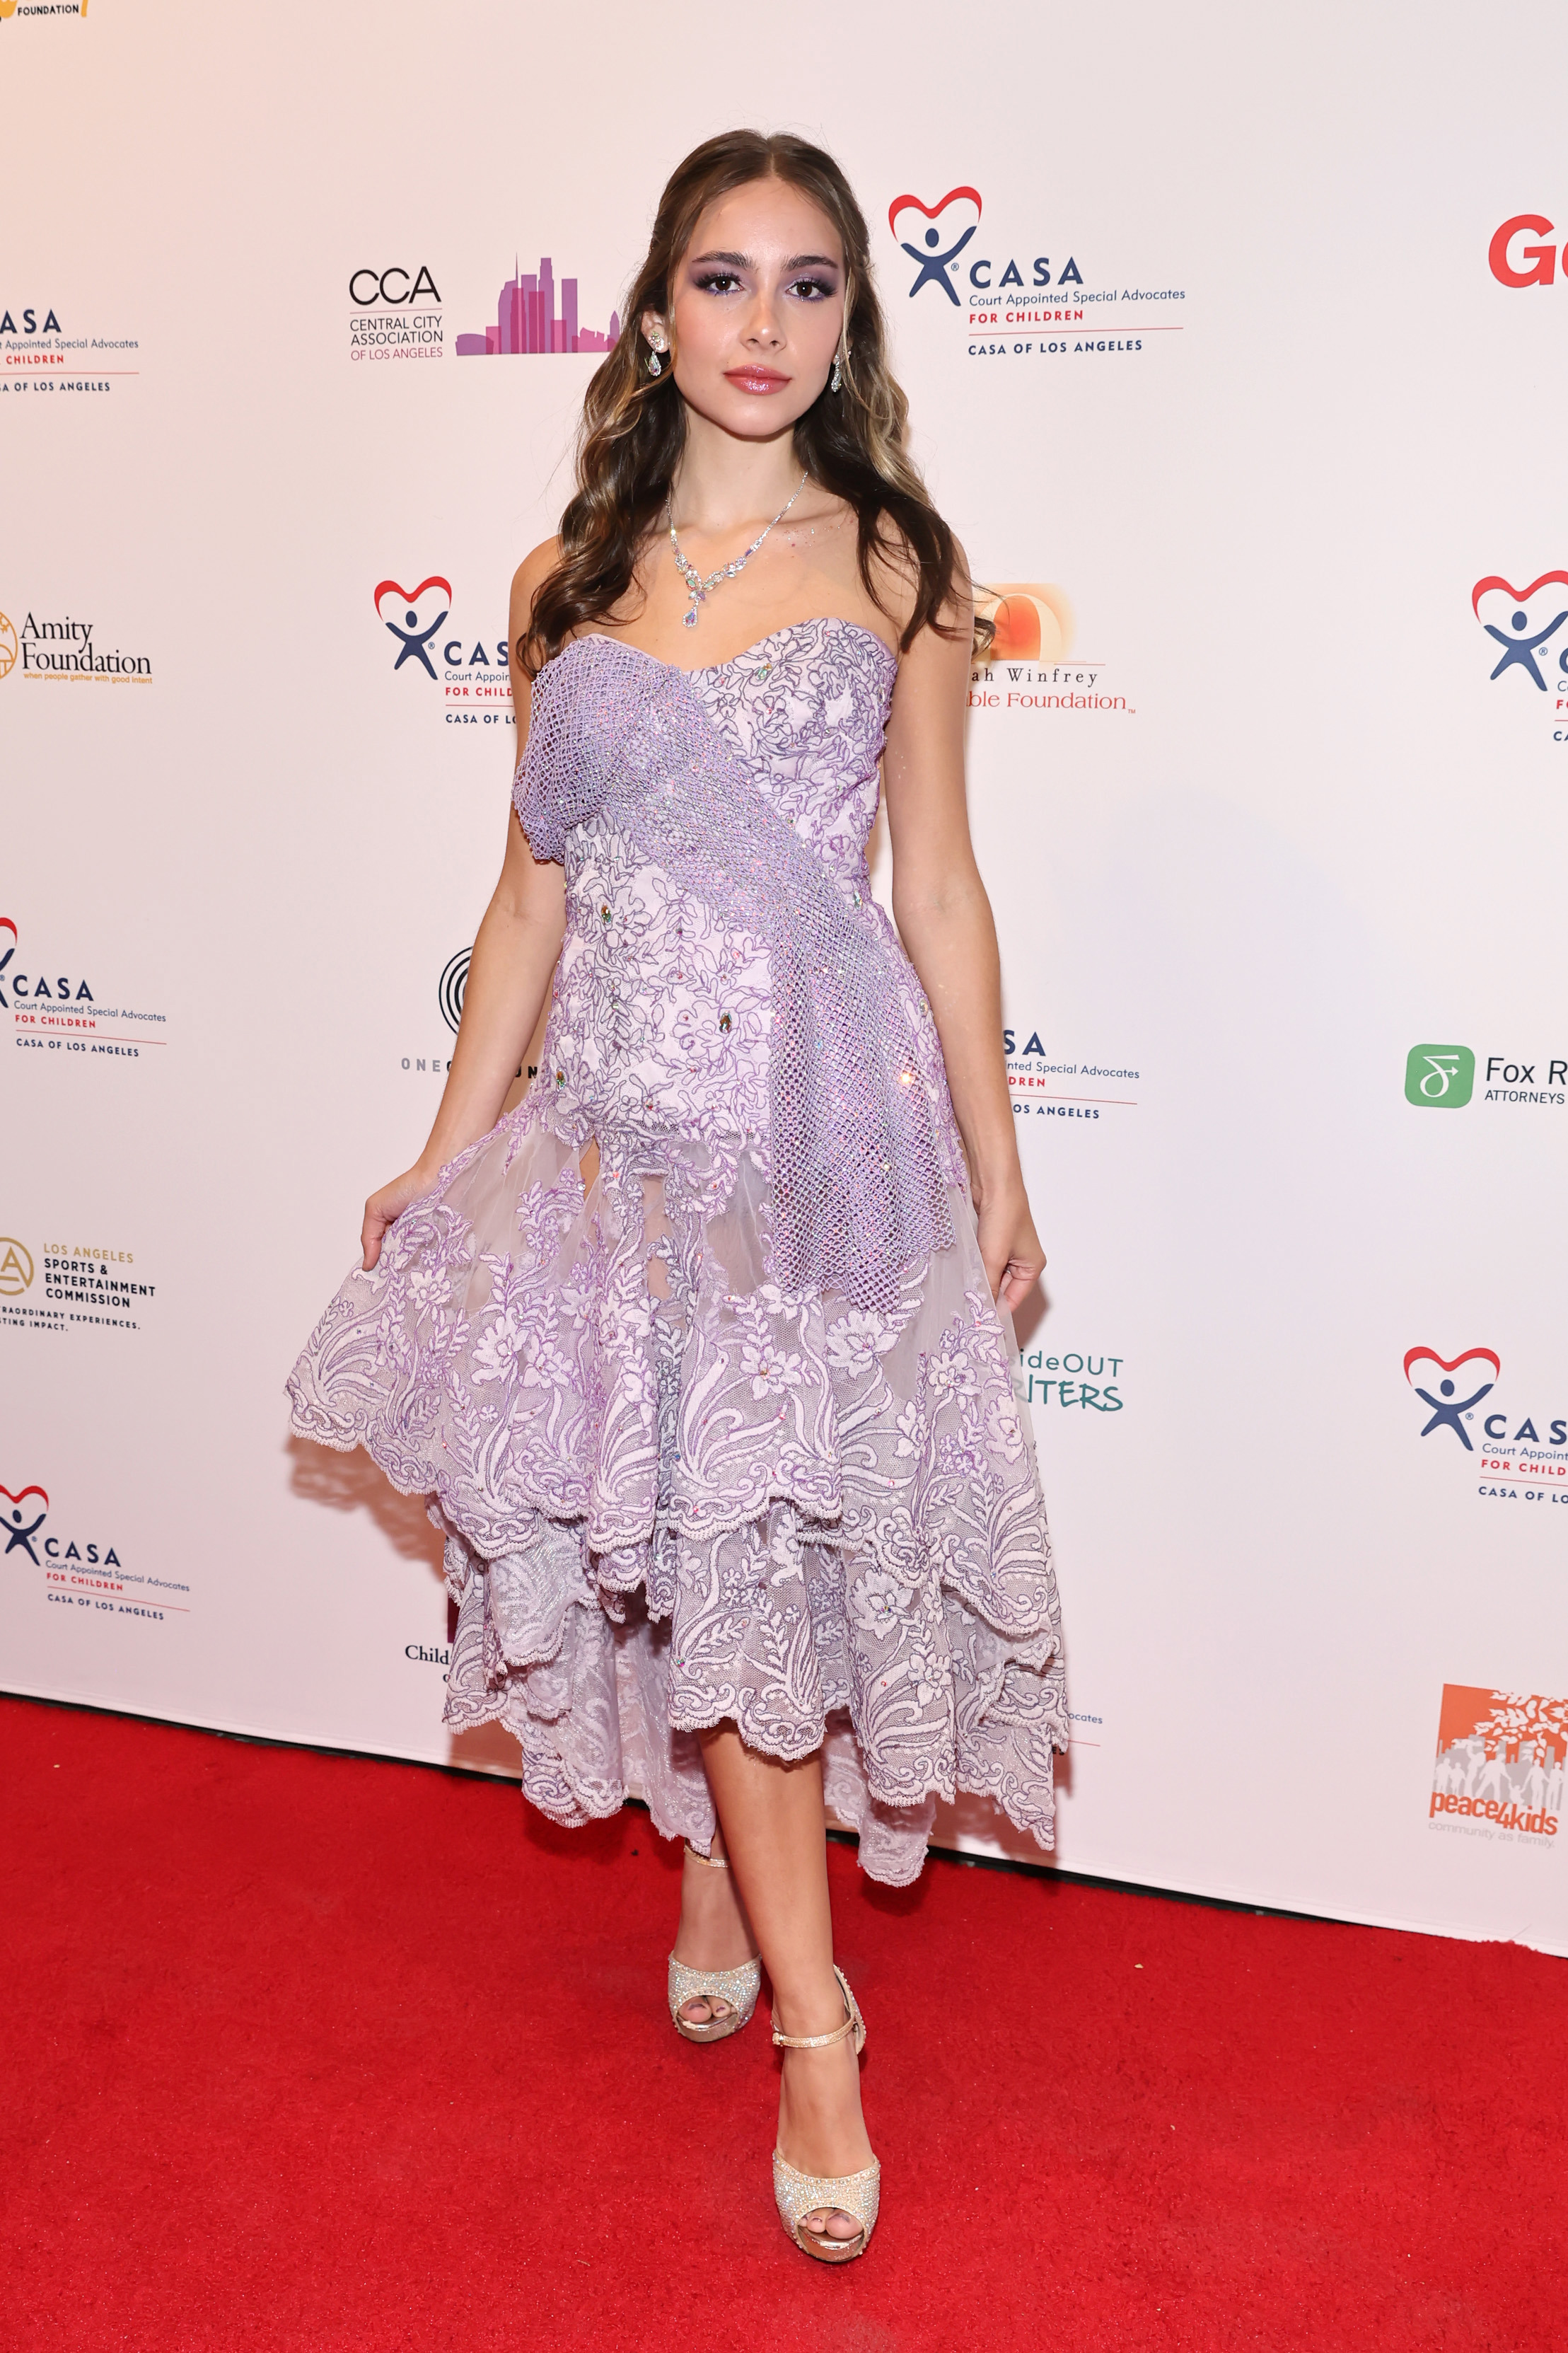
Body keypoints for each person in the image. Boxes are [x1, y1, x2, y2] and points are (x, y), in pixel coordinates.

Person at [289, 129, 1065, 2266]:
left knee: (764, 1546)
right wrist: (452, 1154)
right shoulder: (562, 584)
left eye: (809, 286)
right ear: (650, 314)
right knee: (666, 1535)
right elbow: (527, 894)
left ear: (850, 324)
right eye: (723, 282)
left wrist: (998, 1165)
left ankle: (809, 2017)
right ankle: (751, 1905)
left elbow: (939, 886)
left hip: (822, 1140)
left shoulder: (895, 559)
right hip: (622, 1140)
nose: (763, 326)